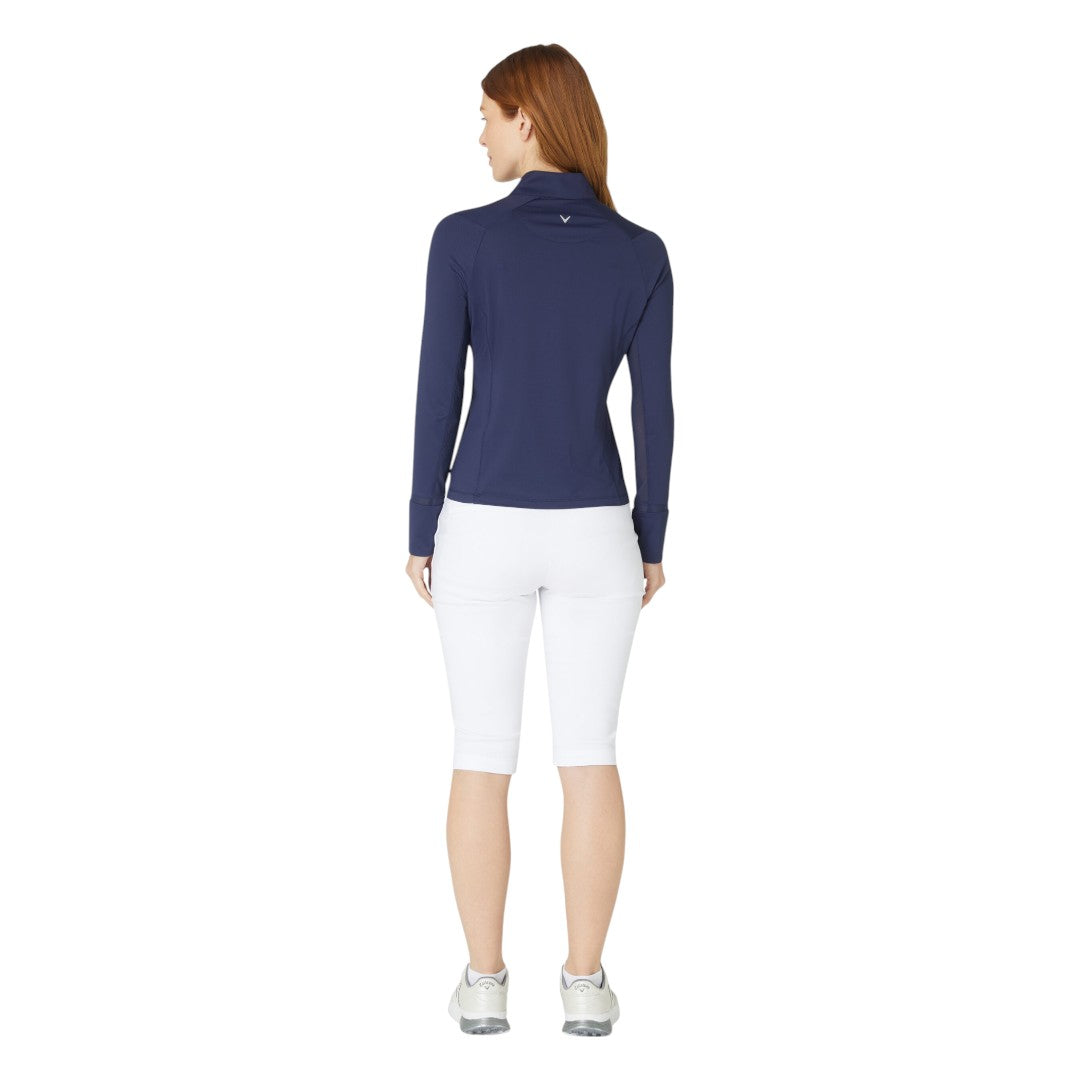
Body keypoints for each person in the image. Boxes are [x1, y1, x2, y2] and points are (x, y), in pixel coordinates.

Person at [404, 44, 674, 1037]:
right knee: (590, 754)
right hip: (599, 529)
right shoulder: (640, 252)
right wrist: (651, 537)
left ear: (528, 117)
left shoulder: (463, 240)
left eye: (488, 114)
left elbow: (439, 391)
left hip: (481, 523)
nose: (479, 133)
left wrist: (419, 526)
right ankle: (586, 983)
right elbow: (655, 411)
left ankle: (484, 984)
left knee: (482, 754)